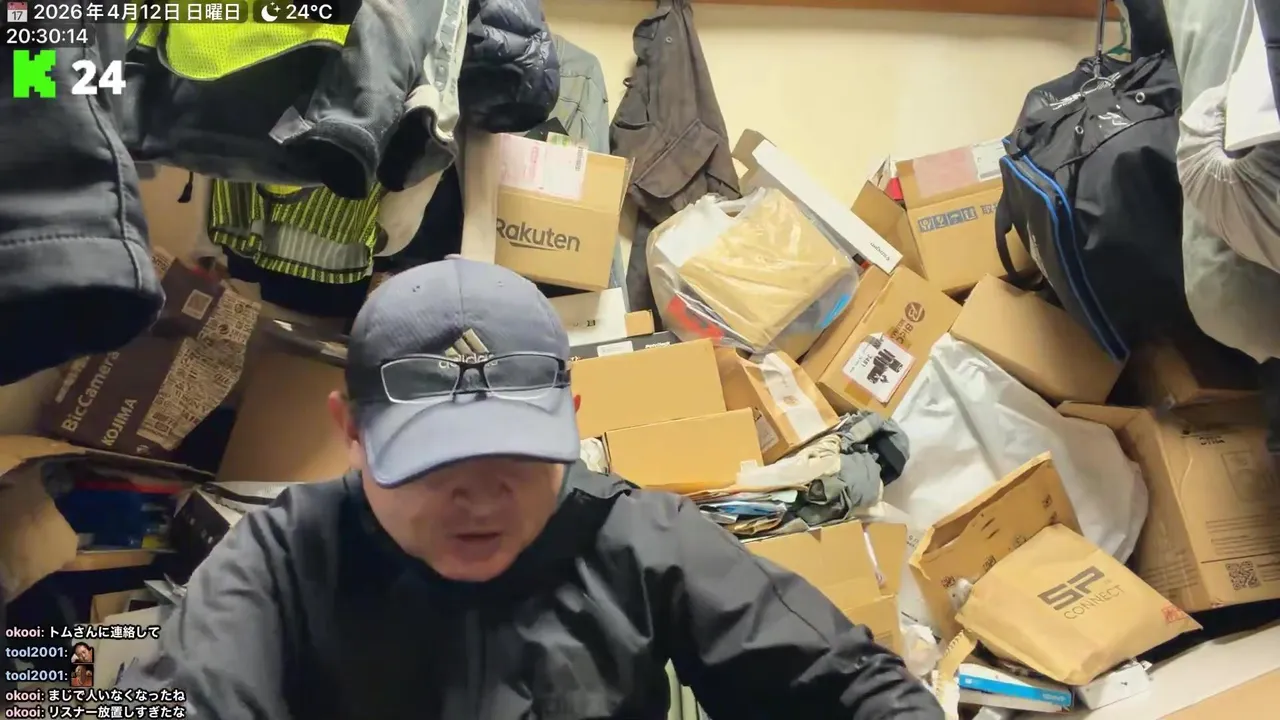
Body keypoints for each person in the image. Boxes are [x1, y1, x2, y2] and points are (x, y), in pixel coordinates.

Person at [119, 259, 942, 719]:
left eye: (514, 458)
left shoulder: (636, 539)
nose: (480, 501)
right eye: (435, 462)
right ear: (351, 430)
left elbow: (850, 689)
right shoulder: (281, 560)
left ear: (570, 420)